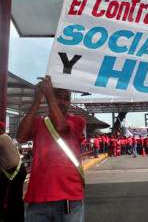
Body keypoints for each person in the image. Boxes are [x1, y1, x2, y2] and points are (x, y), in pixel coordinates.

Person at [17, 76, 86, 222]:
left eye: (66, 98)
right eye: (58, 96)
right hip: (38, 199)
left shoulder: (77, 121)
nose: (62, 101)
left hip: (69, 198)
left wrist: (49, 96)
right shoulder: (38, 122)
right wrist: (37, 100)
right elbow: (21, 137)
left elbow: (61, 127)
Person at [0, 121, 27, 222]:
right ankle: (14, 217)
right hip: (16, 171)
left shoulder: (3, 137)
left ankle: (11, 217)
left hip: (14, 172)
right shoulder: (6, 138)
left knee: (12, 196)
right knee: (15, 196)